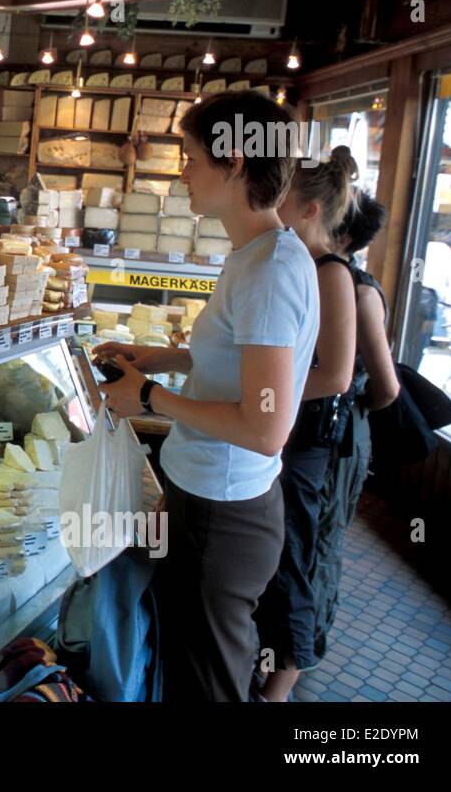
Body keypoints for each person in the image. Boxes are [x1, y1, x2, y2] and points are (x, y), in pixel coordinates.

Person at [95, 91, 320, 702]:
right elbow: (243, 363)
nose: (183, 172)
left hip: (224, 514)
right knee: (194, 668)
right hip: (214, 499)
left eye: (191, 157)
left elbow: (264, 425)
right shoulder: (257, 256)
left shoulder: (270, 271)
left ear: (237, 162)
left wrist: (149, 398)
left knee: (209, 685)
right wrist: (164, 360)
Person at [253, 145, 358, 702]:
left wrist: (267, 393)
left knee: (291, 554)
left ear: (310, 210)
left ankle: (282, 684)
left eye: (282, 199)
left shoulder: (330, 273)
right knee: (275, 554)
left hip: (306, 438)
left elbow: (336, 375)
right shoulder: (294, 262)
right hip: (286, 428)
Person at [311, 186, 400, 662]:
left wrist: (347, 401)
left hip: (343, 434)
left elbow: (387, 388)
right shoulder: (327, 277)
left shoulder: (357, 290)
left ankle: (300, 658)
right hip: (325, 430)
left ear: (340, 233)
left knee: (323, 541)